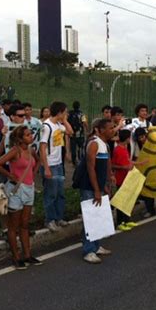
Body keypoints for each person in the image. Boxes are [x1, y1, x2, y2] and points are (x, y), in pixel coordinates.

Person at [0, 126, 41, 269]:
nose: (31, 136)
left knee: (25, 224)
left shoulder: (31, 150)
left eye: (30, 134)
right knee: (13, 226)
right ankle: (16, 257)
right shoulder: (15, 151)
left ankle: (27, 255)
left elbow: (38, 161)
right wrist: (9, 175)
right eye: (27, 135)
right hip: (16, 190)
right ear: (20, 139)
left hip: (29, 189)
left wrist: (34, 172)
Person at [78, 118, 114, 264]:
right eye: (110, 128)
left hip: (98, 186)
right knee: (91, 218)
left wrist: (104, 184)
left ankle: (96, 246)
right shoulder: (94, 144)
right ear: (100, 130)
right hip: (89, 187)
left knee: (97, 217)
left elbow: (102, 168)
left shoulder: (104, 144)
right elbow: (90, 168)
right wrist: (96, 189)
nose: (113, 130)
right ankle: (88, 250)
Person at [39, 101, 74, 232]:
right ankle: (50, 219)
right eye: (65, 112)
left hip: (58, 164)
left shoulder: (58, 125)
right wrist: (46, 167)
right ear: (59, 112)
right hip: (50, 164)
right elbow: (42, 148)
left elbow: (70, 132)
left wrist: (64, 121)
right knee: (50, 193)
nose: (66, 114)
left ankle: (59, 217)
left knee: (60, 193)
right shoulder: (47, 126)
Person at [112, 129, 143, 231]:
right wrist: (124, 168)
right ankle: (120, 222)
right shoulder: (117, 150)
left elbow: (128, 161)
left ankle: (127, 220)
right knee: (121, 202)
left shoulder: (124, 148)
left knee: (128, 201)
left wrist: (138, 163)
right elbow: (113, 165)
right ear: (126, 138)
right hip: (121, 179)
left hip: (128, 178)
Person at [68, 101, 88, 165]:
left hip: (72, 134)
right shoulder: (81, 114)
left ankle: (74, 161)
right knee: (81, 148)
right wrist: (87, 130)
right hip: (80, 134)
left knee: (73, 149)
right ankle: (80, 160)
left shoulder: (70, 113)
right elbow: (85, 123)